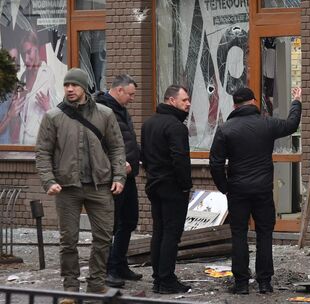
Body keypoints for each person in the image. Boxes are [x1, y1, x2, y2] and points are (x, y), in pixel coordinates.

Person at [35, 68, 126, 296]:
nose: (69, 89)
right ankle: (70, 289)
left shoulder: (105, 114)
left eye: (74, 85)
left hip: (100, 185)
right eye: (66, 85)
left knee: (104, 237)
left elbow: (117, 148)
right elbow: (43, 152)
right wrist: (49, 181)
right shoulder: (53, 117)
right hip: (67, 188)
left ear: (84, 88)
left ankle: (96, 284)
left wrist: (119, 176)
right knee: (68, 241)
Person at [209, 86, 302, 294]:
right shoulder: (266, 124)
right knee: (264, 234)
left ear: (234, 105)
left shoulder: (225, 129)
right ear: (253, 102)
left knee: (239, 234)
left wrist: (225, 187)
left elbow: (215, 163)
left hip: (237, 190)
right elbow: (291, 124)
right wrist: (296, 101)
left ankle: (241, 283)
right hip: (262, 189)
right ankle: (265, 282)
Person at [141, 85, 192, 294]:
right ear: (171, 101)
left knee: (159, 232)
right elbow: (180, 159)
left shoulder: (149, 123)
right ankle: (167, 279)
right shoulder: (176, 127)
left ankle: (158, 279)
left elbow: (144, 154)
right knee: (171, 234)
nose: (188, 103)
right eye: (184, 100)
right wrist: (185, 185)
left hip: (154, 184)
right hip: (172, 187)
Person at [95, 75, 141, 287]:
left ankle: (120, 263)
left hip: (128, 175)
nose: (132, 99)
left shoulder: (121, 109)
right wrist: (117, 166)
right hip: (113, 178)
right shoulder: (101, 110)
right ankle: (107, 269)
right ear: (119, 90)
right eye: (130, 94)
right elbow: (98, 144)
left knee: (129, 220)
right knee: (110, 224)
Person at [20, 33, 64, 144]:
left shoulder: (49, 74)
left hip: (40, 141)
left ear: (37, 48)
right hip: (22, 141)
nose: (26, 58)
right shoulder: (23, 77)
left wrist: (47, 107)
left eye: (29, 52)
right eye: (23, 54)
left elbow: (59, 111)